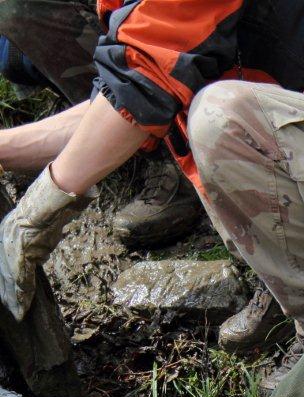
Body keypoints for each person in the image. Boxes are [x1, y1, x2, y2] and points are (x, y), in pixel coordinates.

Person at [0, 0, 304, 394]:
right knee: (204, 111)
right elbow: (111, 102)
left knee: (218, 117)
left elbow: (137, 88)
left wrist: (30, 221)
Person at [0, 0, 203, 250]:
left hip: (182, 43)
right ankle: (115, 144)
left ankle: (173, 149)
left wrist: (33, 213)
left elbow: (146, 69)